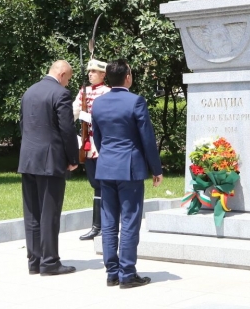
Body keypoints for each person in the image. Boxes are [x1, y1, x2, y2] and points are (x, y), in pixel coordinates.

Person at [90, 59, 164, 289]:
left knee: (109, 221)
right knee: (130, 220)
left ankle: (112, 272)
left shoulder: (98, 104)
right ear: (128, 77)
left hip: (106, 166)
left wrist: (108, 159)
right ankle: (127, 274)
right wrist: (156, 169)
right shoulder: (136, 101)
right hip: (129, 168)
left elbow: (98, 139)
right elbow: (147, 138)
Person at [18, 60, 79, 276]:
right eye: (68, 78)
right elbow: (67, 129)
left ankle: (34, 261)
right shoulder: (60, 94)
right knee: (50, 213)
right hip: (50, 160)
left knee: (32, 213)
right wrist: (73, 158)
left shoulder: (29, 92)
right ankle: (50, 262)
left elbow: (22, 125)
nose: (67, 83)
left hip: (27, 160)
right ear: (62, 74)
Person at [73, 58, 112, 240]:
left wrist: (86, 117)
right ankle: (96, 226)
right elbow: (73, 112)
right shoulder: (83, 91)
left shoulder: (107, 92)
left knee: (105, 185)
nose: (90, 74)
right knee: (95, 185)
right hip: (87, 145)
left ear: (103, 74)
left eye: (94, 72)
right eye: (89, 71)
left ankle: (107, 225)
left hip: (102, 145)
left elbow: (104, 118)